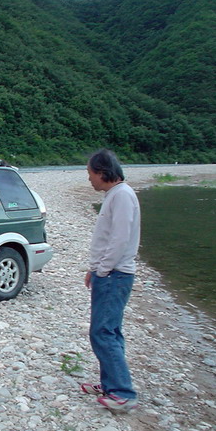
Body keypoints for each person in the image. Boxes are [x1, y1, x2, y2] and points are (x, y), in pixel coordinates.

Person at [81, 149, 140, 413]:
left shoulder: (123, 195)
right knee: (109, 330)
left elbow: (119, 238)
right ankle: (110, 385)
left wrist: (103, 270)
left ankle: (123, 393)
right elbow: (106, 238)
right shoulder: (114, 195)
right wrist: (93, 269)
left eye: (90, 174)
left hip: (116, 275)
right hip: (108, 273)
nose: (89, 179)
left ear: (103, 172)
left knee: (102, 332)